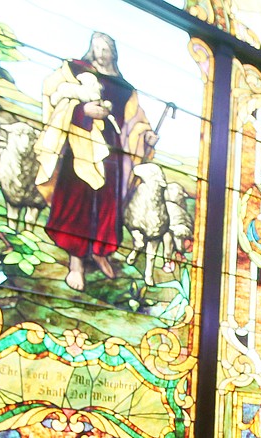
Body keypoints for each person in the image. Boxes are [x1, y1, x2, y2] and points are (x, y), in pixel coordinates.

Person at [35, 31, 157, 292]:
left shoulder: (125, 88)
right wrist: (83, 111)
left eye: (106, 48)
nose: (102, 52)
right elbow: (56, 100)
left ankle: (101, 252)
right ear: (90, 50)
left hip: (111, 153)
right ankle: (76, 263)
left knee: (106, 207)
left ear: (114, 52)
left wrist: (147, 136)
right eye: (97, 47)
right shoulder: (74, 70)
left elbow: (134, 123)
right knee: (77, 202)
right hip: (80, 144)